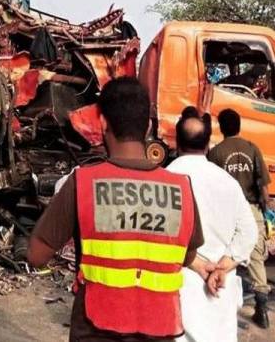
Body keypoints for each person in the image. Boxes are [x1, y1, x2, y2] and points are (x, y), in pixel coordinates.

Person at [28, 77, 205, 342]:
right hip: (160, 329)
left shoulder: (83, 183)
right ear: (147, 127)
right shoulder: (181, 188)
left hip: (94, 330)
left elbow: (36, 255)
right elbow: (185, 256)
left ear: (102, 123)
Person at [167, 107, 257, 342]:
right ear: (208, 145)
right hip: (219, 294)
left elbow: (159, 235)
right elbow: (249, 232)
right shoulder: (227, 182)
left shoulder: (166, 181)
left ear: (177, 143)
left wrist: (197, 265)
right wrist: (222, 266)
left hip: (178, 293)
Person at [208, 108, 274, 329]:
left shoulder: (216, 153)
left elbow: (212, 187)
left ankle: (219, 304)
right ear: (239, 126)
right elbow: (263, 185)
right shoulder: (252, 148)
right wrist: (266, 212)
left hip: (226, 210)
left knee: (224, 254)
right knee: (256, 257)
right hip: (251, 208)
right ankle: (262, 308)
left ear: (222, 128)